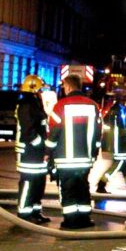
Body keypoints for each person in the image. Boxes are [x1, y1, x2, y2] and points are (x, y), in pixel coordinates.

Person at [45, 74, 102, 229]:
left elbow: (53, 133)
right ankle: (84, 219)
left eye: (64, 86)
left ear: (68, 87)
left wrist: (47, 152)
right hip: (85, 159)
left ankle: (71, 221)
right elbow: (98, 133)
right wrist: (94, 152)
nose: (63, 89)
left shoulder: (60, 106)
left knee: (68, 189)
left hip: (65, 159)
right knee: (83, 187)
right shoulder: (93, 106)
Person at [14, 74, 50, 224]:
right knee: (28, 183)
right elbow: (29, 132)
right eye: (41, 89)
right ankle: (24, 213)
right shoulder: (26, 106)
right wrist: (42, 145)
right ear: (33, 89)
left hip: (37, 153)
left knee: (38, 183)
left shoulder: (35, 104)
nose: (43, 92)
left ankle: (35, 211)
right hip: (29, 153)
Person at [96, 90, 126, 194]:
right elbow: (116, 130)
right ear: (120, 99)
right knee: (117, 165)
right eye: (123, 98)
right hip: (117, 144)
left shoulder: (124, 110)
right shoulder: (115, 111)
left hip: (121, 142)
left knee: (123, 167)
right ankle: (101, 184)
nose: (125, 100)